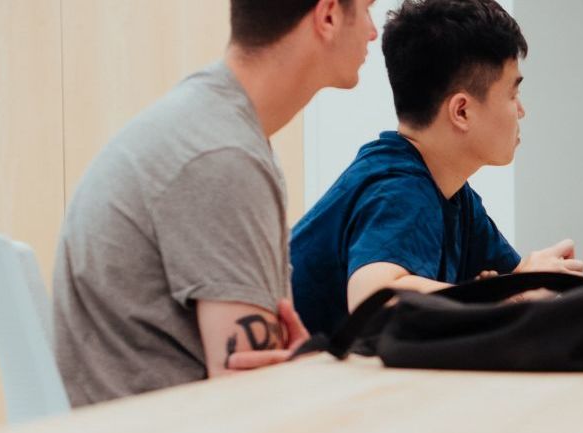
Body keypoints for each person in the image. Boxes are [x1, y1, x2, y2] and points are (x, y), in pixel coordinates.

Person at [53, 0, 377, 405]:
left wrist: (302, 362)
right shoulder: (222, 154)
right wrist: (310, 365)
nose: (373, 31)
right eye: (368, 8)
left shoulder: (210, 124)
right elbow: (250, 396)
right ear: (328, 15)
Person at [290, 0, 583, 336]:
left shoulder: (456, 196)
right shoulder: (399, 187)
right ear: (461, 111)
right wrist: (510, 291)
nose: (521, 110)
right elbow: (376, 301)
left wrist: (530, 282)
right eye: (511, 94)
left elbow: (515, 290)